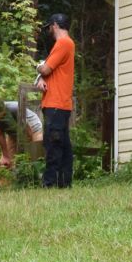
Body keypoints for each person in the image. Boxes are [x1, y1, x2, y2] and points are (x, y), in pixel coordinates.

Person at [35, 13, 75, 188]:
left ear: (55, 25)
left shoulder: (63, 43)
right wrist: (41, 78)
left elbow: (45, 68)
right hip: (60, 103)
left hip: (56, 103)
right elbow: (48, 73)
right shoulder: (65, 45)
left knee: (54, 143)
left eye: (49, 27)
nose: (49, 31)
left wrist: (39, 69)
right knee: (63, 144)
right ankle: (64, 183)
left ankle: (49, 183)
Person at [0, 96, 43, 168]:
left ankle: (33, 177)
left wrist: (27, 148)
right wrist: (5, 156)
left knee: (35, 156)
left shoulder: (15, 108)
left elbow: (28, 131)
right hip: (14, 132)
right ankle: (12, 177)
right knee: (6, 163)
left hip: (33, 128)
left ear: (2, 111)